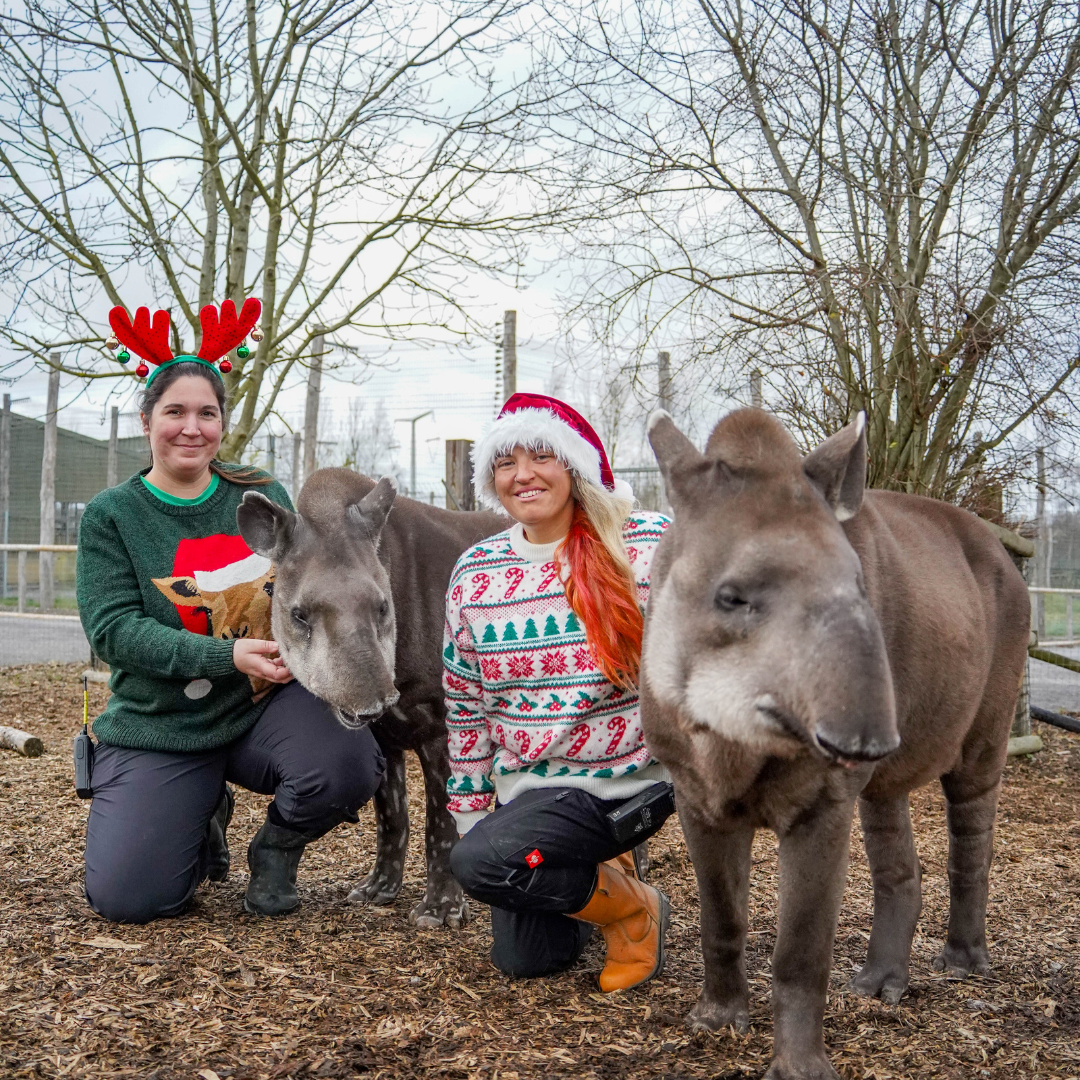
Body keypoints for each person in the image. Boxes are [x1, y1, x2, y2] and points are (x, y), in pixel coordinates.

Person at [76, 299, 384, 924]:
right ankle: (197, 813)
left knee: (348, 764)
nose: (192, 428)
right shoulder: (113, 515)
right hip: (165, 721)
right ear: (147, 420)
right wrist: (225, 653)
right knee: (132, 900)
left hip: (260, 704)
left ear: (222, 422)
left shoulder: (260, 495)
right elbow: (114, 632)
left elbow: (301, 592)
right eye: (175, 412)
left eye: (207, 414)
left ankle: (276, 848)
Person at [445, 393, 672, 989]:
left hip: (625, 780)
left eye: (541, 455)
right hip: (531, 792)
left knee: (480, 864)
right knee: (528, 961)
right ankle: (597, 873)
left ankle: (632, 909)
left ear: (573, 466)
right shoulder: (476, 572)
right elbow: (465, 704)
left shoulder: (645, 546)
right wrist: (472, 811)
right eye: (505, 462)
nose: (522, 474)